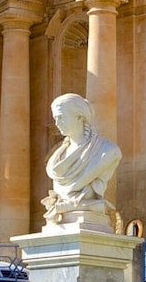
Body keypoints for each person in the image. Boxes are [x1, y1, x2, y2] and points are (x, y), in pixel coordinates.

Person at [43, 94, 122, 230]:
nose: (56, 123)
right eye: (55, 118)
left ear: (79, 117)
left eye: (61, 117)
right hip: (63, 226)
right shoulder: (57, 157)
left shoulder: (108, 151)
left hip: (88, 224)